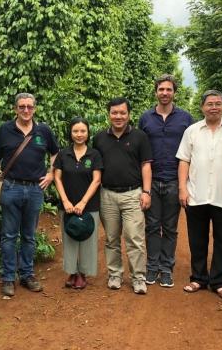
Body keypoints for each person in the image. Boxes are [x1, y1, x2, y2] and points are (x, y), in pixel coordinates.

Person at [176, 89, 222, 300]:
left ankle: (218, 281)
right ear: (202, 107)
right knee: (197, 239)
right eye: (210, 104)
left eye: (218, 103)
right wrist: (182, 187)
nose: (214, 107)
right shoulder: (191, 131)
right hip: (196, 194)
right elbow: (184, 160)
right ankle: (199, 277)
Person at [0, 93, 59, 297]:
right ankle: (8, 278)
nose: (26, 110)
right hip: (11, 188)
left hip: (35, 189)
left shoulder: (43, 130)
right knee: (9, 235)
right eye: (22, 107)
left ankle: (27, 274)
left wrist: (51, 174)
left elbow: (55, 153)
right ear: (15, 109)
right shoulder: (5, 130)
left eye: (30, 107)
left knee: (29, 235)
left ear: (35, 109)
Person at [138, 74, 194, 288]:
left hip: (174, 179)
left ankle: (166, 269)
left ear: (174, 92)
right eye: (161, 89)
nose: (164, 93)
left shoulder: (185, 118)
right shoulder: (145, 118)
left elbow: (191, 150)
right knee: (152, 226)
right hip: (151, 180)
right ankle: (152, 267)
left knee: (170, 227)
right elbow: (140, 150)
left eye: (168, 89)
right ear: (156, 92)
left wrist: (186, 184)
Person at [93, 97, 153, 295]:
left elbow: (146, 165)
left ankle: (138, 278)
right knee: (111, 238)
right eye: (114, 113)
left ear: (129, 114)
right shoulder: (99, 138)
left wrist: (146, 192)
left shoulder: (140, 136)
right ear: (109, 114)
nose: (118, 116)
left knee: (135, 238)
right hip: (107, 195)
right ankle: (115, 275)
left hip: (132, 194)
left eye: (122, 113)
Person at [54, 117, 103, 289]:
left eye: (83, 131)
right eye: (75, 131)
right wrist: (66, 201)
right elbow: (57, 178)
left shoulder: (94, 154)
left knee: (88, 239)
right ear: (71, 133)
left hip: (89, 205)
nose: (79, 134)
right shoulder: (63, 154)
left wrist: (82, 202)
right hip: (67, 205)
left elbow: (97, 180)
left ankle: (83, 273)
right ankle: (71, 272)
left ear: (88, 133)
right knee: (70, 237)